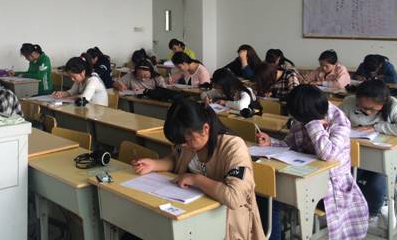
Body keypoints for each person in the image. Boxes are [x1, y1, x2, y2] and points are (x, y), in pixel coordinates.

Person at [133, 99, 264, 239]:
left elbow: (234, 197)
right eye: (180, 143)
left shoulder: (233, 147)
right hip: (192, 213)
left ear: (205, 129)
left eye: (187, 141)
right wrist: (154, 164)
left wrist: (196, 180)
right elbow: (175, 159)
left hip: (226, 223)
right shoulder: (189, 143)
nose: (183, 146)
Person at [256, 85, 369, 239]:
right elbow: (290, 144)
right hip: (303, 177)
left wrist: (313, 124)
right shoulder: (303, 116)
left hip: (332, 187)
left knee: (273, 199)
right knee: (267, 196)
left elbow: (328, 154)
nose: (297, 121)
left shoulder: (339, 122)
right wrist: (271, 142)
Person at [340, 80, 397, 228]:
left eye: (370, 108)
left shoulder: (393, 106)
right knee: (343, 179)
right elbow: (337, 122)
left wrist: (376, 127)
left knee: (376, 185)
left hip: (386, 157)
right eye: (360, 106)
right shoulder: (349, 102)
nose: (366, 111)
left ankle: (377, 208)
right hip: (355, 154)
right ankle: (352, 209)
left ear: (382, 104)